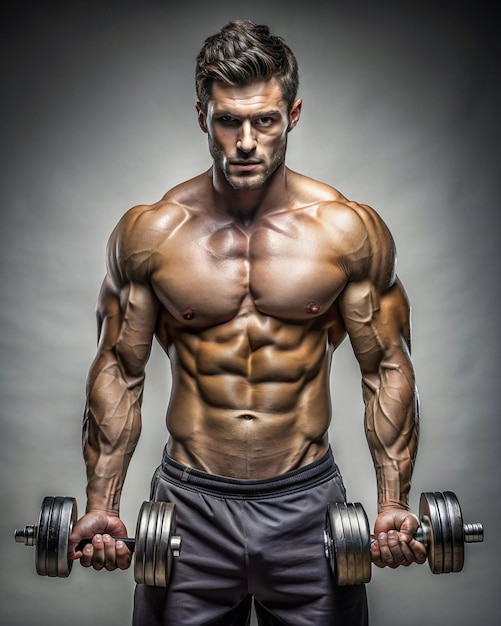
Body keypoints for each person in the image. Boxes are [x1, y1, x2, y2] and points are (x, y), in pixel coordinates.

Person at [69, 19, 427, 626]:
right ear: (201, 115)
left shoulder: (346, 231)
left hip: (308, 507)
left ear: (293, 113)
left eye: (264, 119)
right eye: (227, 119)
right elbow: (120, 370)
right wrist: (101, 503)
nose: (245, 141)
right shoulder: (151, 233)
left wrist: (393, 503)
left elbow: (387, 365)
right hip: (190, 507)